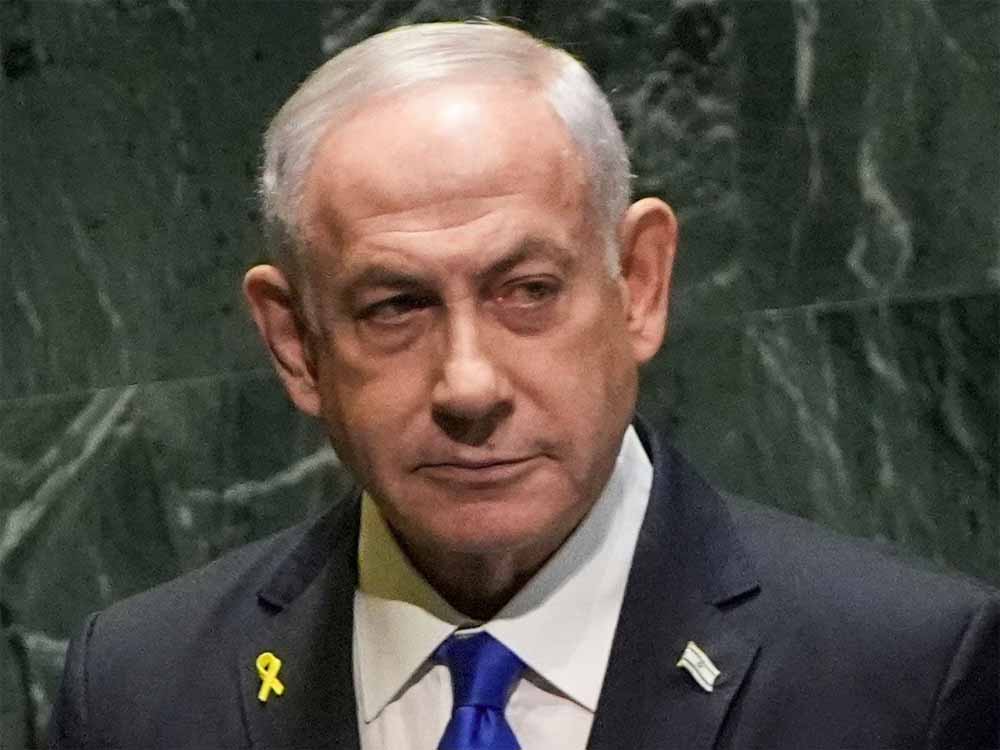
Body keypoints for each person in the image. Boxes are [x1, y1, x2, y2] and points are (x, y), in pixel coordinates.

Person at [50, 21, 997, 750]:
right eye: (395, 306)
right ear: (295, 343)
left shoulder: (904, 675)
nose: (469, 386)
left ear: (641, 285)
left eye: (528, 291)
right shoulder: (140, 694)